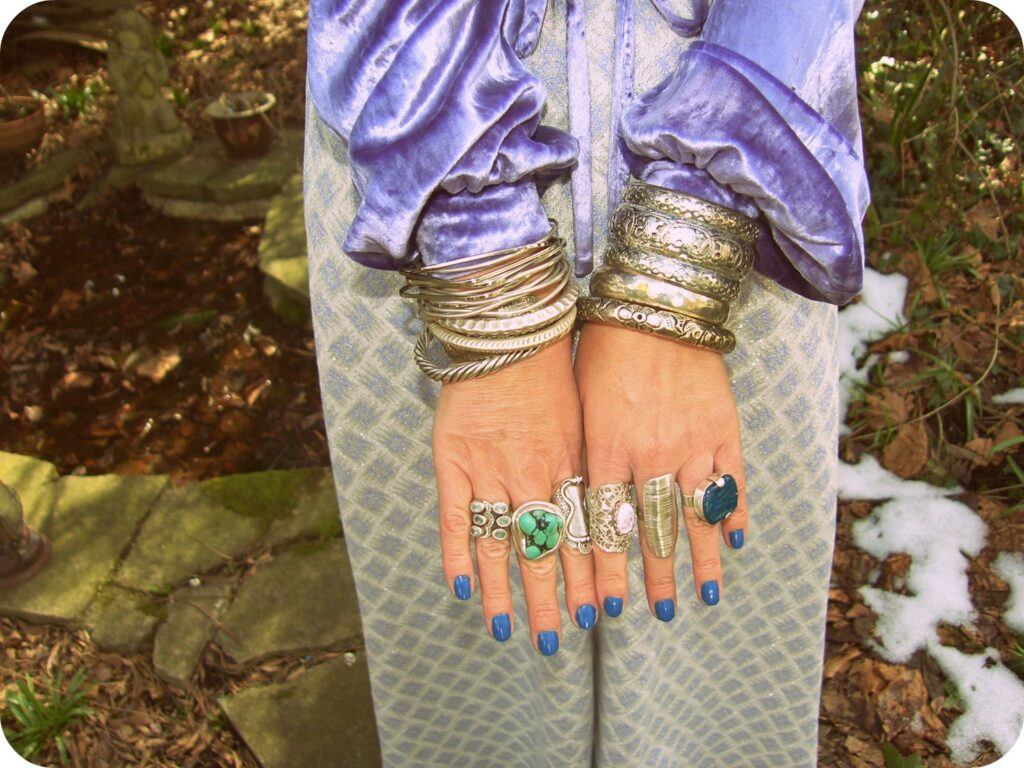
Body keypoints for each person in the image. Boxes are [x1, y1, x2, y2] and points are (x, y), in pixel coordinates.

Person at [304, 1, 868, 765]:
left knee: (711, 691)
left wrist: (684, 255)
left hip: (757, 136)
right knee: (479, 686)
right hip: (408, 134)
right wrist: (484, 279)